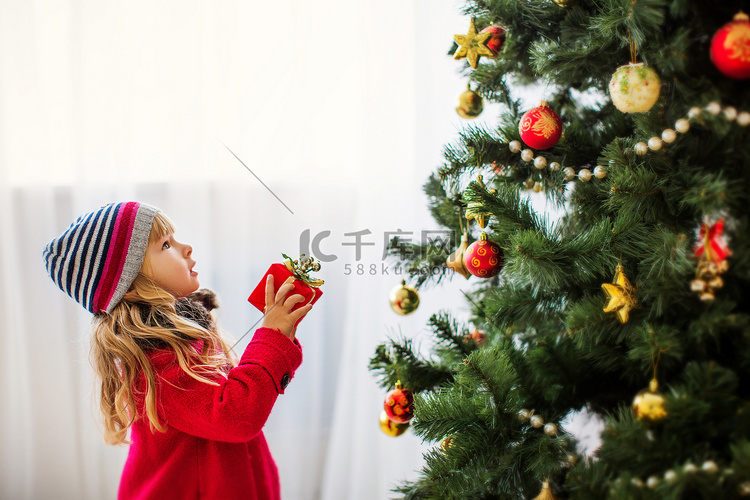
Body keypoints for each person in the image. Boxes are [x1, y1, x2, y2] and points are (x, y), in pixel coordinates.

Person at [43, 201, 312, 500]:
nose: (187, 248)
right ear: (131, 286)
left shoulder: (183, 338)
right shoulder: (157, 363)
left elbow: (236, 395)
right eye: (166, 244)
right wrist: (271, 338)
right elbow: (236, 416)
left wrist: (279, 336)